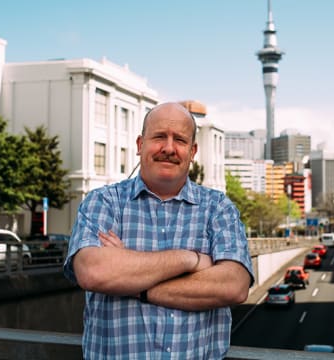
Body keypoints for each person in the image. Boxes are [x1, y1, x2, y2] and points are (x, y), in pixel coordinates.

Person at [64, 102, 254, 359]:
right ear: (140, 145)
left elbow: (234, 286)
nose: (168, 148)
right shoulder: (104, 202)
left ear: (192, 151)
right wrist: (191, 259)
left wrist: (133, 282)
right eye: (159, 137)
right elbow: (93, 271)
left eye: (179, 140)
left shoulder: (218, 208)